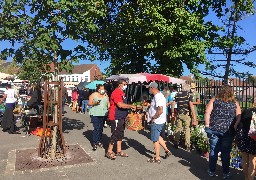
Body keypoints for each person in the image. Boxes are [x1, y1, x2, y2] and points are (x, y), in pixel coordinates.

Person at [204, 85, 241, 179]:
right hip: (228, 131)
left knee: (213, 150)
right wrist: (235, 125)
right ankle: (226, 173)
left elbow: (207, 112)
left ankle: (212, 171)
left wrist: (207, 125)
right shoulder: (235, 103)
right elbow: (239, 116)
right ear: (231, 92)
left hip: (214, 129)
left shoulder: (214, 99)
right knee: (226, 152)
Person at [105, 79, 136, 160]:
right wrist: (131, 106)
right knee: (114, 134)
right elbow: (120, 105)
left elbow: (124, 104)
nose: (126, 85)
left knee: (120, 134)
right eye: (124, 84)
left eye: (126, 84)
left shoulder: (122, 93)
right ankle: (109, 151)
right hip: (115, 116)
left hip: (121, 116)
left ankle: (119, 150)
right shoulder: (116, 92)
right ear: (119, 84)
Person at [147, 82, 171, 164]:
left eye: (149, 88)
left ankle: (157, 158)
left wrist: (153, 117)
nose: (148, 89)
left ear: (152, 88)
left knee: (155, 139)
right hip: (161, 120)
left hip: (157, 121)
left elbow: (160, 110)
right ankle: (167, 150)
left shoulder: (157, 96)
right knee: (158, 137)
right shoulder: (160, 95)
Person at [172, 83, 196, 151]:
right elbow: (191, 105)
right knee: (187, 129)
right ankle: (187, 146)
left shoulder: (177, 94)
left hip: (179, 114)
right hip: (186, 114)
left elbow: (173, 103)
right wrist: (194, 116)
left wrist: (173, 112)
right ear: (187, 88)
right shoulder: (189, 95)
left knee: (178, 128)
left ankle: (176, 143)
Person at [236, 104, 256, 180]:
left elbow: (239, 124)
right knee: (252, 160)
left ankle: (246, 177)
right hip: (253, 138)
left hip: (243, 137)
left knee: (245, 159)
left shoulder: (247, 111)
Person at [88, 84, 109, 151]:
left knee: (101, 128)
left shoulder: (105, 95)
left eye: (103, 89)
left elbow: (108, 103)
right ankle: (94, 142)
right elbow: (89, 103)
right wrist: (95, 103)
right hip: (95, 113)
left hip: (103, 114)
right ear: (98, 89)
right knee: (96, 127)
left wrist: (109, 108)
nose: (103, 90)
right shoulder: (94, 94)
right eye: (101, 89)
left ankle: (99, 140)